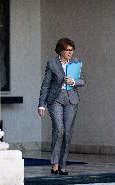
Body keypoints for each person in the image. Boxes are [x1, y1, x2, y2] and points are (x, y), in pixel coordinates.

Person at [38, 38, 85, 175]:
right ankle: (55, 164)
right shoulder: (52, 63)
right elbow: (46, 85)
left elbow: (83, 81)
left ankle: (63, 165)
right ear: (61, 51)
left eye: (72, 50)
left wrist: (73, 81)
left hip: (71, 99)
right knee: (59, 130)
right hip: (56, 99)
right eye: (68, 50)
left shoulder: (76, 63)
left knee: (67, 132)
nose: (71, 53)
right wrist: (42, 105)